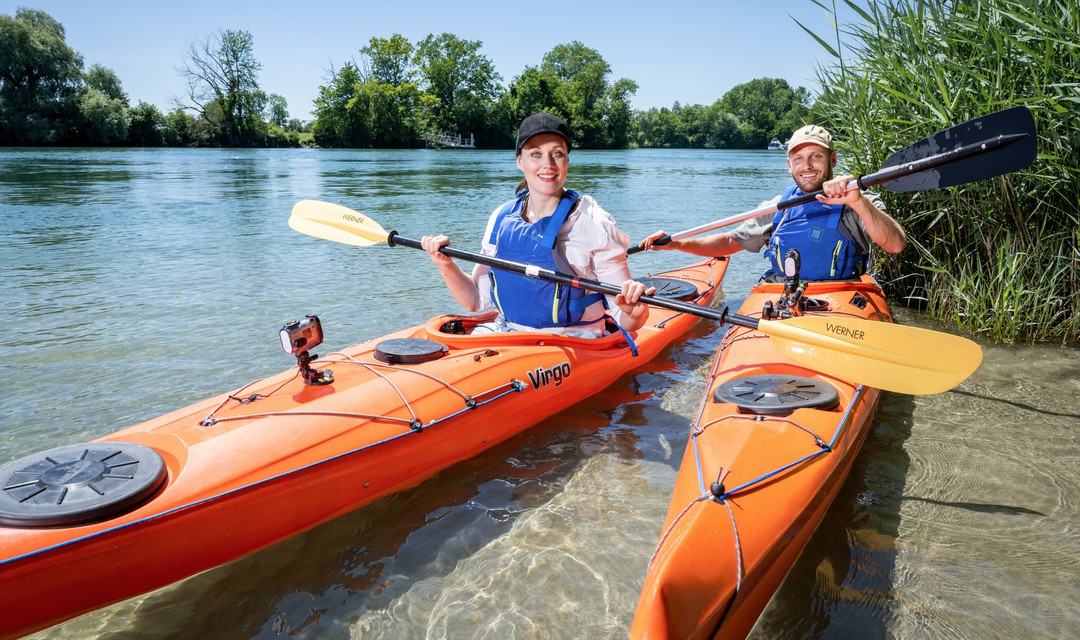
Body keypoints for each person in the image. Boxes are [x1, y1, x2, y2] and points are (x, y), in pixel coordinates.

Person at [421, 112, 653, 338]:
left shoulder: (593, 222)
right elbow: (475, 299)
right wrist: (444, 262)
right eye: (535, 154)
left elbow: (626, 320)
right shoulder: (502, 218)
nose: (547, 164)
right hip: (508, 333)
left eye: (557, 153)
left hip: (576, 343)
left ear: (567, 161)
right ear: (520, 161)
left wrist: (636, 311)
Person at [638, 124, 906, 281]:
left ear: (833, 160)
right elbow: (730, 242)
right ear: (789, 165)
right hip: (784, 296)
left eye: (816, 157)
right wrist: (675, 244)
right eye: (799, 159)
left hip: (840, 296)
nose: (807, 166)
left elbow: (895, 244)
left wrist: (857, 202)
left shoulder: (858, 200)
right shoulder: (777, 206)